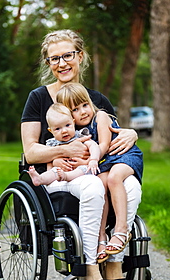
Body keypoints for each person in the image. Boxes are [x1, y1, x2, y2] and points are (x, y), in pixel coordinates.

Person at [21, 29, 141, 280]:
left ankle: (114, 264)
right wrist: (67, 150)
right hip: (57, 175)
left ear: (80, 56)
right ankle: (91, 273)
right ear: (48, 63)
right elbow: (30, 151)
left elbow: (114, 133)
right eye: (54, 58)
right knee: (92, 186)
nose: (61, 63)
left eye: (67, 55)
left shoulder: (97, 100)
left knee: (129, 183)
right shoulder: (38, 98)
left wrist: (131, 133)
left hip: (92, 168)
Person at [56, 83, 143, 267]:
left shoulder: (101, 117)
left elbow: (103, 145)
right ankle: (101, 236)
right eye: (75, 110)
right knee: (101, 184)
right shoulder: (76, 132)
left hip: (124, 156)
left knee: (113, 178)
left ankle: (122, 228)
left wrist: (88, 162)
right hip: (105, 164)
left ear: (90, 102)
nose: (83, 112)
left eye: (85, 105)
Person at [28, 103, 100, 187]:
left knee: (84, 169)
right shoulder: (52, 144)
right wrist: (54, 164)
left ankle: (66, 176)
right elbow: (49, 164)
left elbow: (94, 146)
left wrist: (93, 160)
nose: (64, 131)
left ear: (73, 123)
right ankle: (40, 179)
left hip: (80, 170)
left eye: (67, 125)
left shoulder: (80, 136)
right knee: (53, 172)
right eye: (58, 129)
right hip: (61, 173)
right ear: (51, 131)